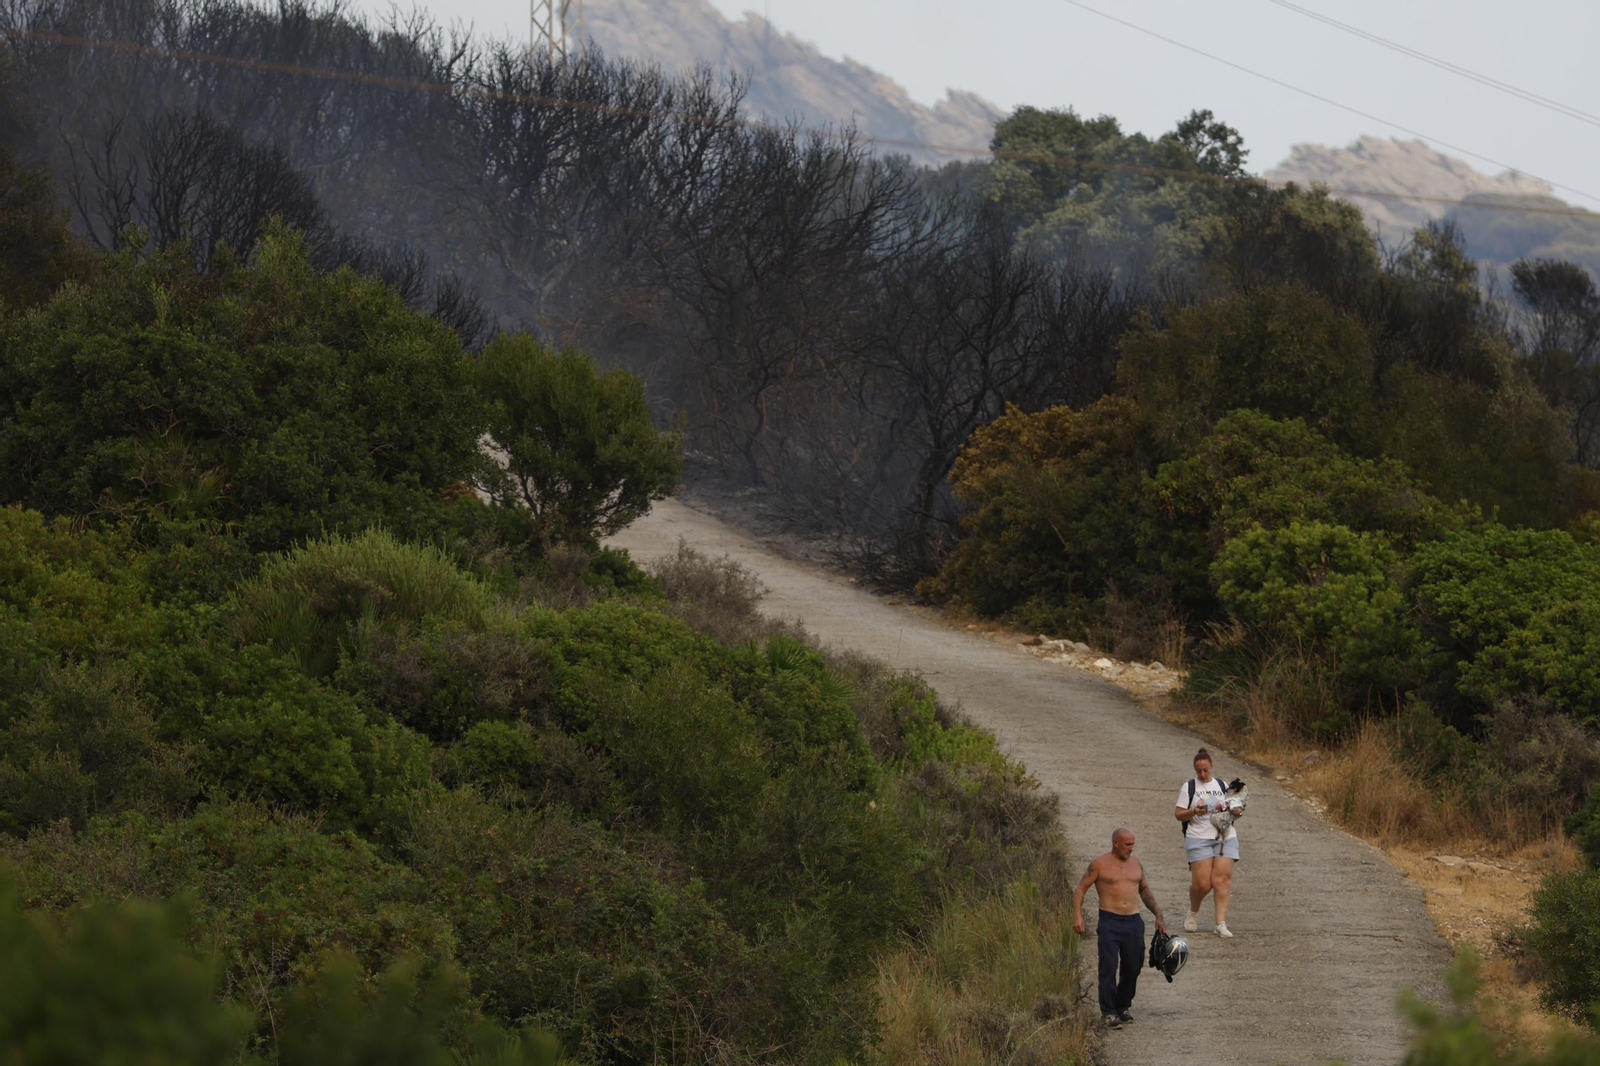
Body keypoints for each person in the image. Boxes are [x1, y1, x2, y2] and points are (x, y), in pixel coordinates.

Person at [1072, 827, 1166, 1030]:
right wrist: (1077, 916)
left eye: (1133, 844)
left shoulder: (1136, 864)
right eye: (1127, 844)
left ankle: (1122, 1006)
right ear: (1116, 843)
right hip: (1110, 921)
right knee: (1108, 967)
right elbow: (1080, 889)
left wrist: (1158, 915)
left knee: (1133, 967)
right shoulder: (1100, 864)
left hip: (1133, 921)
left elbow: (1145, 891)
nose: (1131, 848)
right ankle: (1108, 1012)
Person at [1174, 746, 1242, 938]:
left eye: (1205, 770)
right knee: (1202, 884)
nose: (1203, 774)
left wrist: (1236, 811)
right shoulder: (1189, 787)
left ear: (1212, 766)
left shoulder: (1223, 786)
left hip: (1225, 836)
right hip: (1198, 838)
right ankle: (1193, 911)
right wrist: (1194, 811)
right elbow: (1179, 814)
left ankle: (1220, 923)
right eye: (1199, 771)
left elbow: (1236, 811)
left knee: (1221, 879)